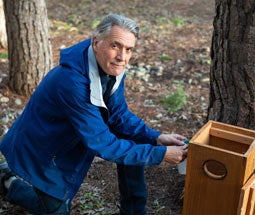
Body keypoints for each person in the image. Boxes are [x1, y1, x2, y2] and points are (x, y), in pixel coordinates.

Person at [0, 14, 188, 215]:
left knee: (132, 136)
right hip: (41, 148)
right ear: (96, 42)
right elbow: (103, 143)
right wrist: (161, 154)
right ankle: (6, 182)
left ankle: (134, 211)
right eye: (115, 46)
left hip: (69, 135)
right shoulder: (72, 82)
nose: (122, 57)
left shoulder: (110, 65)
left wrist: (156, 137)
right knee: (56, 210)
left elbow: (119, 116)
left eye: (129, 49)